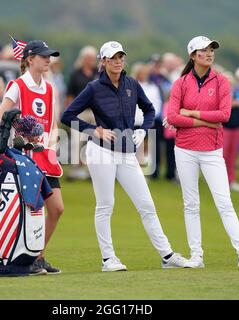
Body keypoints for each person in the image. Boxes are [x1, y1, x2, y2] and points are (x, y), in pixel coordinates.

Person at [62, 41, 187, 272]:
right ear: (104, 62)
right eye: (113, 58)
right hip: (100, 151)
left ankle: (167, 255)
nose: (118, 61)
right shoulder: (93, 88)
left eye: (121, 57)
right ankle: (108, 259)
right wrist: (93, 129)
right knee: (105, 205)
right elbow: (67, 115)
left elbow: (150, 110)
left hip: (127, 152)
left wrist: (143, 130)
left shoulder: (132, 84)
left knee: (146, 205)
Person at [165, 36, 239, 268]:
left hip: (211, 150)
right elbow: (173, 117)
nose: (209, 54)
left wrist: (193, 114)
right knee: (191, 204)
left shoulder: (221, 82)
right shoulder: (180, 83)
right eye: (203, 51)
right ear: (192, 56)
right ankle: (196, 255)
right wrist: (205, 122)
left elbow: (224, 115)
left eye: (211, 50)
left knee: (224, 202)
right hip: (185, 149)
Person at [0, 40, 63, 275]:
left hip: (45, 155)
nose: (48, 59)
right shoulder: (17, 85)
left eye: (49, 56)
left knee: (56, 208)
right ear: (30, 59)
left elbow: (51, 124)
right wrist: (22, 126)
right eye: (43, 56)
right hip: (22, 156)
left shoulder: (50, 88)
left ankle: (38, 256)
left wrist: (50, 145)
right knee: (32, 210)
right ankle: (26, 259)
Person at [65, 46, 98, 181]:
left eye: (92, 58)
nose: (90, 61)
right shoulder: (75, 74)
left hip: (96, 112)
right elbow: (70, 95)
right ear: (83, 59)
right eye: (88, 58)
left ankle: (92, 170)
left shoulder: (99, 73)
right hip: (80, 112)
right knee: (77, 141)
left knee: (95, 141)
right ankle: (74, 170)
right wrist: (69, 112)